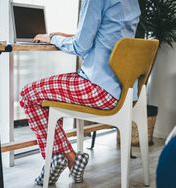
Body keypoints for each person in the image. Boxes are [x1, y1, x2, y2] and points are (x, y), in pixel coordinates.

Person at [20, 0, 141, 185]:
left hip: (97, 87)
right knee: (48, 95)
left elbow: (80, 47)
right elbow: (106, 36)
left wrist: (51, 38)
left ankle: (64, 157)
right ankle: (66, 157)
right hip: (122, 90)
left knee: (28, 95)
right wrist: (62, 36)